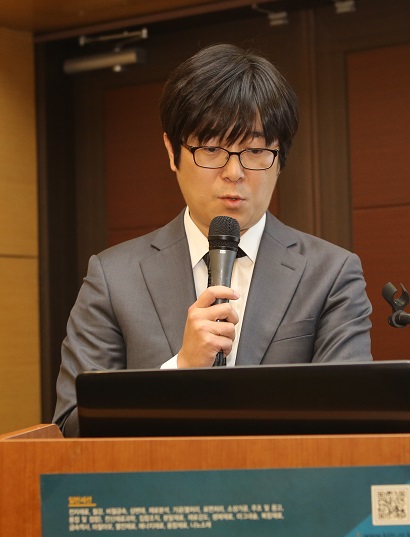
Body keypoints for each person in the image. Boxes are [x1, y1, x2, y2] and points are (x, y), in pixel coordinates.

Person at [53, 43, 373, 437]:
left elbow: (350, 421)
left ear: (280, 157)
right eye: (210, 148)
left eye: (255, 150)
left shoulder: (331, 274)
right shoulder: (113, 278)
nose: (234, 172)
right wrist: (180, 370)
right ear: (172, 151)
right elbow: (70, 428)